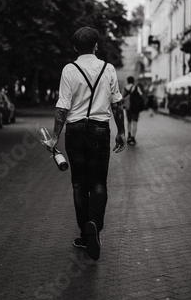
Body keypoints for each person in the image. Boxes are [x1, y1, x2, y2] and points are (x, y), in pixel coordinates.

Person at [46, 27, 126, 261]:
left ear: (74, 48)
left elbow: (63, 106)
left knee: (80, 184)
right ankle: (95, 224)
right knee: (99, 182)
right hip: (100, 129)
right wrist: (121, 132)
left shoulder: (69, 69)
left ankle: (84, 233)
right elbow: (117, 104)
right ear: (96, 46)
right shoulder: (108, 68)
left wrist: (54, 137)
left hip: (75, 131)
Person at [123, 76, 143, 145]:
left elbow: (122, 97)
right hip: (135, 108)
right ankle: (133, 137)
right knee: (135, 123)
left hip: (128, 107)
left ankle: (128, 135)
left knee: (129, 121)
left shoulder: (125, 88)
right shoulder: (137, 87)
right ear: (133, 81)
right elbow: (141, 95)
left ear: (128, 81)